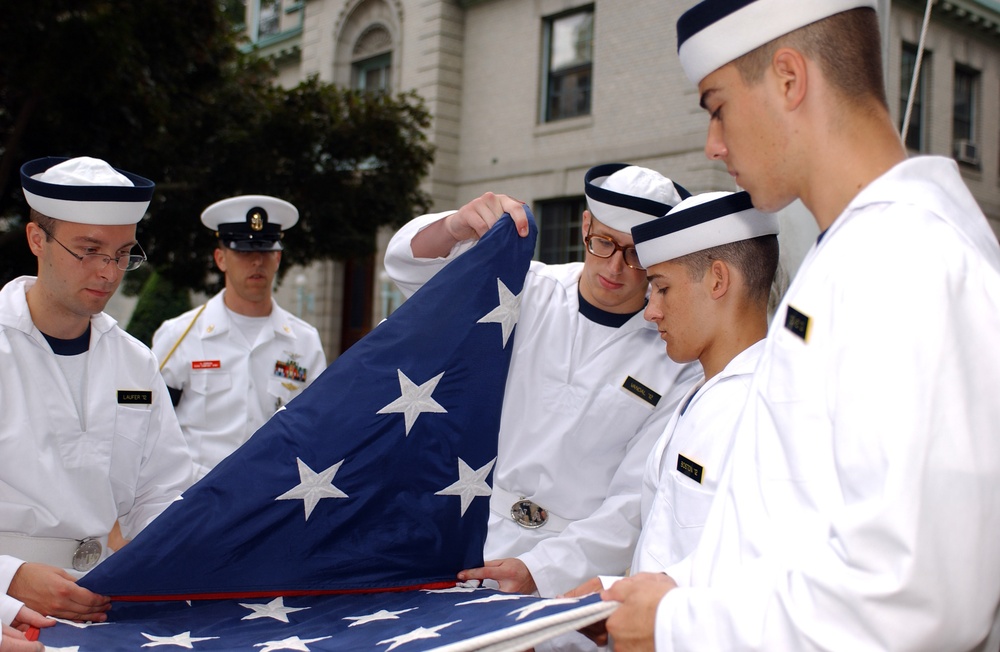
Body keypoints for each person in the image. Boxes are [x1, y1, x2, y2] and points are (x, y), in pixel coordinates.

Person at [600, 2, 1000, 650]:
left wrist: (677, 623)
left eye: (717, 107)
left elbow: (919, 599)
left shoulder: (906, 260)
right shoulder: (851, 255)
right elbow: (785, 534)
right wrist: (657, 593)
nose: (713, 144)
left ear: (788, 79)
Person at [384, 163, 701, 605]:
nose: (616, 267)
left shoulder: (675, 353)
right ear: (585, 226)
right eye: (604, 243)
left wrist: (541, 570)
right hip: (467, 531)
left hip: (568, 574)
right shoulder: (524, 287)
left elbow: (633, 499)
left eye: (635, 255)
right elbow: (409, 269)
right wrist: (454, 226)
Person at [0, 157, 194, 637]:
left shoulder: (135, 362)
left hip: (106, 603)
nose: (109, 272)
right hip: (11, 613)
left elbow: (160, 493)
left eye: (123, 253)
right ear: (37, 239)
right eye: (89, 251)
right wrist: (9, 578)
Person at [565, 190, 779, 615]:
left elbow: (762, 578)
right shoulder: (709, 393)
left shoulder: (766, 411)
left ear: (717, 280)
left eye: (662, 288)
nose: (651, 311)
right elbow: (673, 553)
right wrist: (608, 598)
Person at [152, 195, 327, 482]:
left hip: (274, 491)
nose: (257, 262)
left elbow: (316, 424)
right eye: (244, 252)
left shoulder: (304, 341)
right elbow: (150, 422)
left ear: (278, 258)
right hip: (199, 493)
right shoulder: (181, 334)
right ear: (221, 259)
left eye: (266, 251)